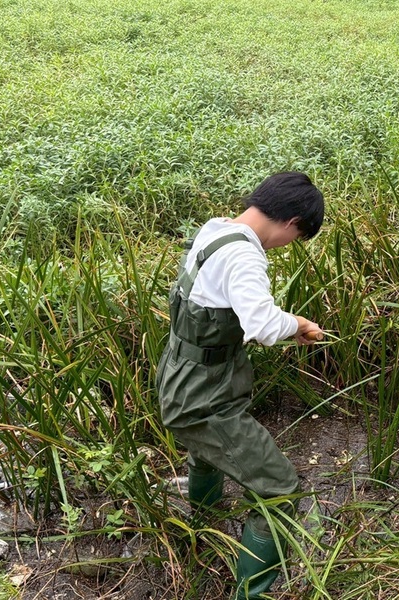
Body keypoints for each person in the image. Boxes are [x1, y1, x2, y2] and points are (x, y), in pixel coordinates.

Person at [155, 172, 325, 599]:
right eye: (297, 236)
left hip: (182, 379)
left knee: (207, 455)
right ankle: (250, 594)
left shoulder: (215, 231)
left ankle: (203, 529)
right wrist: (299, 323)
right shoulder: (246, 258)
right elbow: (264, 325)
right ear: (291, 222)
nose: (287, 245)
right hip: (202, 399)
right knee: (279, 492)